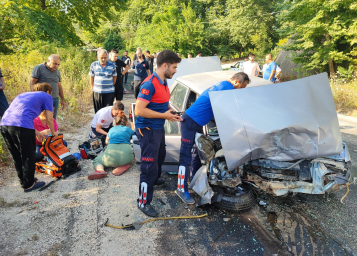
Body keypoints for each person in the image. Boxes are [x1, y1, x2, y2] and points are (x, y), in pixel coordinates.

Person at [176, 72, 250, 204]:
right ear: (237, 82)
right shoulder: (226, 88)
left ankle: (194, 181)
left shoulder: (222, 84)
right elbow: (226, 111)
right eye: (241, 88)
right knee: (185, 157)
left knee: (196, 154)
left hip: (195, 122)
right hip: (190, 122)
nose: (239, 91)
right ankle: (181, 189)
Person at [135, 50, 182, 217]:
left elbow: (162, 101)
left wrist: (171, 111)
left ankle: (154, 179)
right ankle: (143, 202)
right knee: (148, 166)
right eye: (174, 67)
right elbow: (140, 110)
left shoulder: (164, 81)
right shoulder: (149, 83)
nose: (176, 70)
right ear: (164, 65)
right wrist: (165, 116)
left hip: (158, 127)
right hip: (147, 129)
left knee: (160, 156)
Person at [0, 83, 58, 192]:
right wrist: (54, 133)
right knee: (28, 154)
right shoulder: (47, 97)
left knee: (16, 154)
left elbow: (21, 115)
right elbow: (50, 119)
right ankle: (29, 184)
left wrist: (37, 132)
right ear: (48, 92)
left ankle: (24, 180)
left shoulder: (23, 95)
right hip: (22, 125)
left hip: (4, 124)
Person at [88, 112, 134, 180]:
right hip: (126, 157)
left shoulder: (111, 129)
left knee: (96, 160)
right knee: (129, 155)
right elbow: (135, 138)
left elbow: (106, 142)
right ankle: (125, 164)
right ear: (126, 122)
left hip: (111, 155)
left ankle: (100, 170)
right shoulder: (129, 130)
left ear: (115, 122)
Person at [30, 54, 65, 119]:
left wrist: (62, 99)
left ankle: (51, 129)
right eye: (55, 63)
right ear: (48, 61)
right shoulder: (39, 68)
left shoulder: (57, 72)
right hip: (42, 98)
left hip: (55, 99)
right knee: (41, 119)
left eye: (58, 64)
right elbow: (32, 82)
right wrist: (34, 95)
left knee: (52, 118)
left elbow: (59, 86)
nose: (56, 66)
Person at [89, 49, 117, 113]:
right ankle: (98, 123)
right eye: (102, 58)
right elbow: (91, 77)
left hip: (109, 92)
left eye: (105, 57)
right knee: (98, 112)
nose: (103, 59)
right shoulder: (93, 65)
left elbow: (114, 77)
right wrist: (92, 88)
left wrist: (110, 86)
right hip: (97, 92)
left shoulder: (112, 65)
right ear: (97, 57)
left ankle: (108, 123)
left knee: (108, 112)